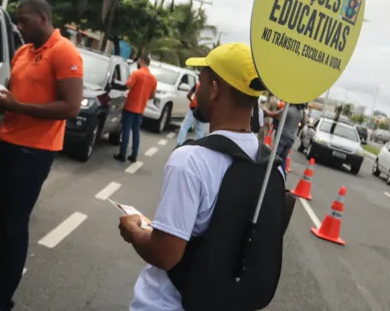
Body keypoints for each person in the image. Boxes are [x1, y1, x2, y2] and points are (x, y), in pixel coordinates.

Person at [118, 42, 275, 311]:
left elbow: (165, 254)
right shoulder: (270, 163)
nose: (197, 89)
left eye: (200, 82)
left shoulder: (191, 160)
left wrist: (133, 230)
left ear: (214, 89)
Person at [0, 0, 83, 311]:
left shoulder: (64, 51)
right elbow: (9, 100)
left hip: (35, 152)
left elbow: (70, 107)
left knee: (15, 224)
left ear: (43, 18)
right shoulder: (23, 52)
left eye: (24, 21)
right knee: (4, 220)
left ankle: (2, 299)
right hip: (8, 143)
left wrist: (18, 108)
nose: (19, 26)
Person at [115, 55, 157, 162]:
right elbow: (152, 96)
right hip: (141, 108)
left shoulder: (137, 73)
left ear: (141, 61)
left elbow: (127, 86)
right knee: (136, 131)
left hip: (130, 106)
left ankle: (122, 153)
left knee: (126, 130)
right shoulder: (153, 79)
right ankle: (134, 155)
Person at [275, 103, 305, 174]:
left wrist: (265, 110)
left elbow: (274, 114)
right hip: (291, 138)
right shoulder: (300, 112)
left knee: (275, 157)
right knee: (283, 159)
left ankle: (270, 175)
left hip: (283, 136)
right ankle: (282, 176)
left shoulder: (288, 110)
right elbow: (302, 124)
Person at [175, 81, 206, 146]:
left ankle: (179, 144)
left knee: (185, 126)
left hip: (194, 108)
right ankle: (198, 147)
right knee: (199, 130)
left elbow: (189, 95)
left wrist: (192, 101)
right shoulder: (213, 86)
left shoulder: (198, 84)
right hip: (204, 110)